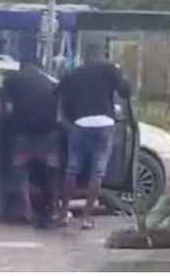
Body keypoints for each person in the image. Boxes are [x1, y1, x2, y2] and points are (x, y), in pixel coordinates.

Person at [56, 52, 132, 229]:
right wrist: (122, 74)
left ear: (84, 58)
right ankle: (87, 218)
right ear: (102, 56)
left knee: (72, 169)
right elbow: (126, 91)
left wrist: (65, 116)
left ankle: (63, 214)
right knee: (97, 172)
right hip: (104, 124)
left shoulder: (76, 72)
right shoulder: (110, 69)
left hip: (81, 123)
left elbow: (58, 91)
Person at [0, 61, 62, 229]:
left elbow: (4, 106)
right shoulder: (48, 81)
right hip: (48, 134)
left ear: (21, 67)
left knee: (21, 173)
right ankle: (54, 209)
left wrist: (6, 122)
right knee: (49, 173)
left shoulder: (12, 80)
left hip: (23, 134)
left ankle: (27, 211)